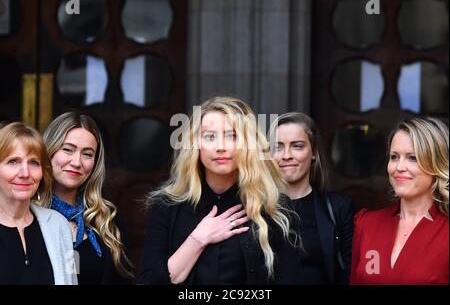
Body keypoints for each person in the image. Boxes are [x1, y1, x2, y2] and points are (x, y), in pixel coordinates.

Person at [137, 96, 301, 284]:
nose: (220, 147)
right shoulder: (166, 206)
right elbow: (148, 281)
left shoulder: (274, 208)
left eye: (231, 136)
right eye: (209, 137)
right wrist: (198, 239)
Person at [351, 117, 449, 284]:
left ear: (436, 165)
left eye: (412, 158)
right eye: (394, 157)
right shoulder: (367, 223)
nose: (399, 167)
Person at [42, 112, 133, 284]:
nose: (77, 162)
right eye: (67, 149)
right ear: (49, 151)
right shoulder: (27, 215)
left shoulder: (108, 220)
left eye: (87, 154)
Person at [268, 112, 355, 284]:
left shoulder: (339, 208)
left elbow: (348, 273)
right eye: (278, 147)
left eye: (297, 146)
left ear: (313, 152)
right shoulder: (255, 208)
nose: (286, 155)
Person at [0, 122, 77, 285]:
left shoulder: (59, 226)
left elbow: (72, 280)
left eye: (34, 162)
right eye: (13, 161)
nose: (25, 173)